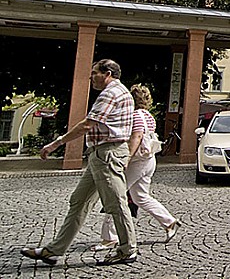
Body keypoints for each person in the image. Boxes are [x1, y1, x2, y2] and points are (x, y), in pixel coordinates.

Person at [21, 59, 138, 266]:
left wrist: (56, 143)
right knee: (79, 201)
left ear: (107, 73)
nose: (91, 77)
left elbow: (87, 125)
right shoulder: (119, 92)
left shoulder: (111, 93)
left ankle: (128, 250)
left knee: (116, 202)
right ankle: (54, 251)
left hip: (107, 153)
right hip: (100, 154)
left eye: (95, 73)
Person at [96, 84, 178, 251]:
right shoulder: (148, 115)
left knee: (116, 195)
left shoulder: (134, 116)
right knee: (140, 196)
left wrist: (127, 158)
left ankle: (109, 238)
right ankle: (169, 222)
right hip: (149, 160)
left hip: (137, 161)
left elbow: (137, 136)